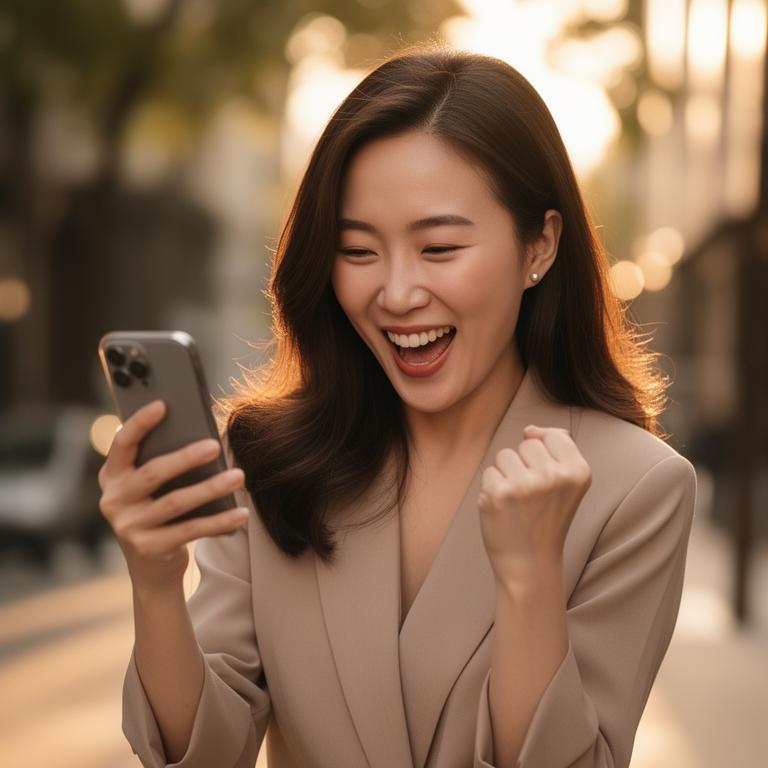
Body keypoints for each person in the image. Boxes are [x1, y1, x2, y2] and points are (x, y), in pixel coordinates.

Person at [101, 46, 697, 768]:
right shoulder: (268, 461)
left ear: (539, 246)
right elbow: (205, 754)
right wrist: (156, 585)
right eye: (358, 252)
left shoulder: (636, 488)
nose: (397, 294)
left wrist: (531, 583)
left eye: (439, 248)